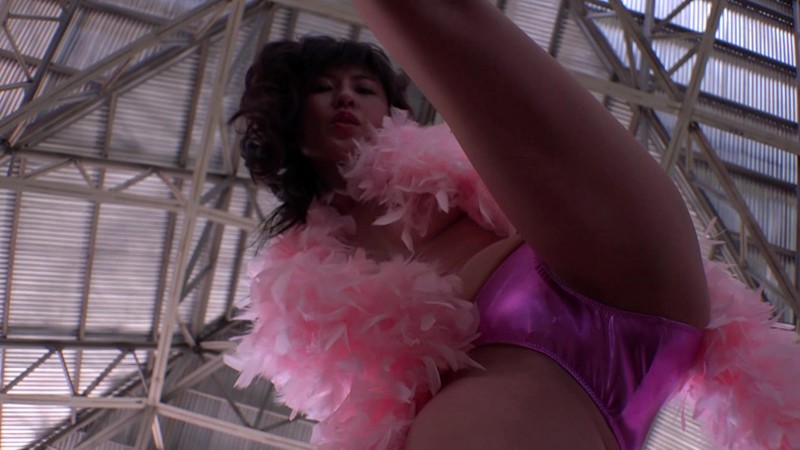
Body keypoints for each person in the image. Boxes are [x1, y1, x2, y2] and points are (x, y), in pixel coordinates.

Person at [226, 2, 800, 449]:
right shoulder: (299, 284)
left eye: (364, 87)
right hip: (514, 383)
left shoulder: (467, 154)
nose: (345, 98)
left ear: (394, 110)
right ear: (291, 120)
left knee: (425, 13)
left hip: (610, 266)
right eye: (322, 89)